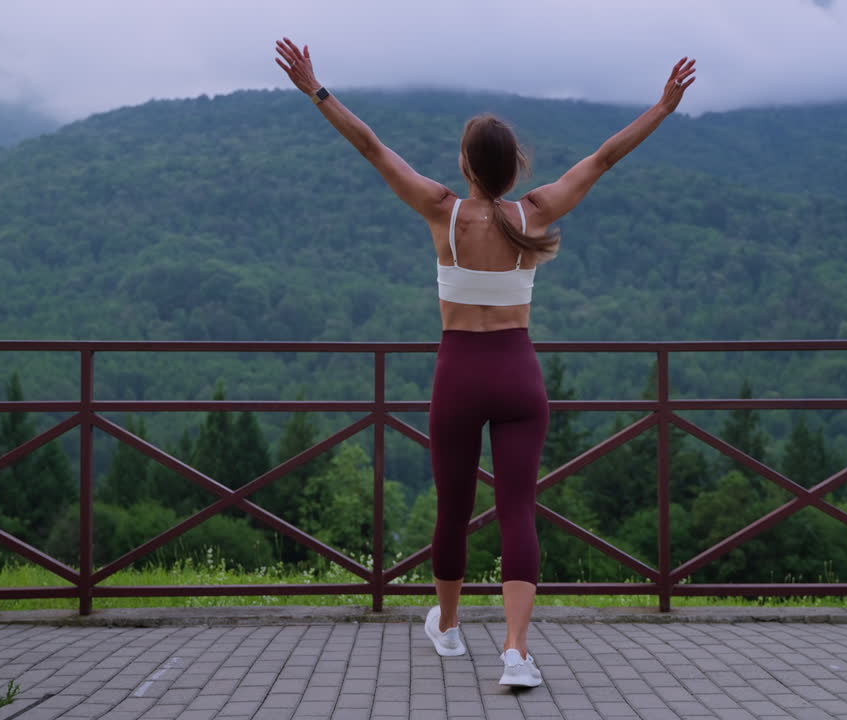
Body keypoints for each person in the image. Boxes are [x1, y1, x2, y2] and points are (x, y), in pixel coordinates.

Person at [275, 37, 694, 688]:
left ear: (467, 165)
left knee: (452, 510)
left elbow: (372, 148)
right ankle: (516, 652)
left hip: (460, 375)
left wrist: (316, 90)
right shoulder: (536, 212)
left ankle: (447, 627)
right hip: (519, 375)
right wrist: (663, 108)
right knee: (518, 511)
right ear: (513, 168)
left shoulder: (443, 212)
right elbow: (604, 157)